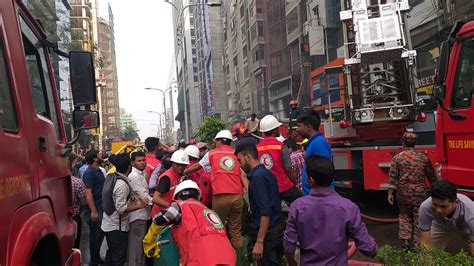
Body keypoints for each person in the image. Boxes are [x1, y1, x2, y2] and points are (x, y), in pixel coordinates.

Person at [284, 155, 377, 265]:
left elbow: (289, 244)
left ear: (311, 180)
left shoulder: (297, 207)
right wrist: (374, 249)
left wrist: (291, 261)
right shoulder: (348, 207)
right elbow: (368, 248)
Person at [184, 130, 246, 263]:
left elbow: (197, 166)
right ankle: (240, 262)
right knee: (236, 231)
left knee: (218, 229)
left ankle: (221, 260)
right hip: (238, 195)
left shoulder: (212, 153)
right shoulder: (236, 154)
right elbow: (242, 173)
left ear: (219, 141)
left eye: (215, 141)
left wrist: (183, 171)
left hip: (221, 196)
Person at [153, 180, 237, 265]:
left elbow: (161, 218)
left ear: (179, 196)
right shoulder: (211, 212)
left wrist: (151, 237)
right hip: (227, 257)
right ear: (198, 195)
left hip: (202, 258)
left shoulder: (181, 205)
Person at [387, 131, 437, 249]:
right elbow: (432, 176)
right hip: (420, 194)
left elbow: (393, 176)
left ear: (403, 142)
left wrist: (390, 193)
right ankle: (417, 245)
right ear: (415, 142)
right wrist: (436, 192)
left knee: (404, 215)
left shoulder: (397, 158)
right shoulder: (423, 157)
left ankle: (405, 242)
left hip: (403, 193)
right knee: (418, 218)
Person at [235, 144, 284, 264]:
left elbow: (265, 211)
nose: (239, 164)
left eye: (239, 160)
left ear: (248, 157)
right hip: (276, 230)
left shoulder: (257, 178)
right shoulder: (265, 174)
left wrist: (259, 242)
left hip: (268, 235)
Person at [101, 154, 148, 266]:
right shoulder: (122, 184)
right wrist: (140, 206)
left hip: (109, 223)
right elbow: (121, 209)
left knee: (112, 254)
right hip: (117, 227)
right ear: (129, 167)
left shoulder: (113, 176)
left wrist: (130, 194)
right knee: (118, 257)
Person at [419, 180, 474, 254]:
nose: (438, 210)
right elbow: (424, 242)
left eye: (443, 206)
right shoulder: (425, 207)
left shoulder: (471, 211)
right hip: (440, 224)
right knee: (427, 253)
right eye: (435, 205)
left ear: (456, 202)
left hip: (465, 226)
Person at [258, 115, 302, 205]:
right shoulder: (281, 146)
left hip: (267, 188)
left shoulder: (257, 148)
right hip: (283, 186)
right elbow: (289, 169)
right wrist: (295, 184)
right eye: (278, 127)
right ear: (274, 130)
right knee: (303, 202)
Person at [297, 109, 332, 195]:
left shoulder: (318, 143)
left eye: (299, 126)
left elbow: (323, 174)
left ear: (308, 127)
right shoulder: (313, 143)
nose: (298, 130)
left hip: (319, 200)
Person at [127, 150, 154, 266]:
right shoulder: (134, 176)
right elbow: (144, 196)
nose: (142, 163)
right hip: (137, 216)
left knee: (140, 246)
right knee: (136, 247)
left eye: (144, 160)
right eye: (139, 161)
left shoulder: (142, 174)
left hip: (143, 214)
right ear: (133, 163)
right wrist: (159, 202)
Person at [83, 149, 106, 266]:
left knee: (99, 236)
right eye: (99, 154)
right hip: (96, 209)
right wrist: (93, 211)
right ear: (95, 159)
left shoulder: (99, 170)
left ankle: (96, 258)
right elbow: (88, 192)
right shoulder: (89, 172)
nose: (101, 155)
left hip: (102, 208)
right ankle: (94, 261)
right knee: (95, 237)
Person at [151, 150, 189, 216]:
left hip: (169, 213)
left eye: (183, 165)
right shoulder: (167, 178)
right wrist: (172, 208)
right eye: (178, 164)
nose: (180, 167)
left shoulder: (180, 176)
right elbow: (155, 198)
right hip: (160, 215)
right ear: (172, 163)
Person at [69, 154, 86, 249]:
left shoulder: (50, 183)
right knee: (75, 245)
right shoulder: (77, 182)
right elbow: (83, 202)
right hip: (75, 217)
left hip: (59, 219)